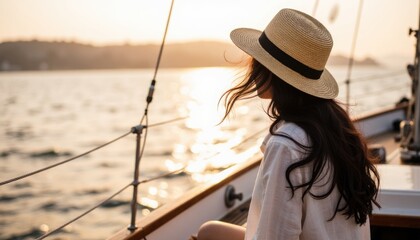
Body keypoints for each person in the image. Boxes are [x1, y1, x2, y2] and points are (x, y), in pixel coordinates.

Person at [197, 8, 380, 240]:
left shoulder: (287, 145)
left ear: (272, 71)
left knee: (207, 234)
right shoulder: (335, 127)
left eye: (259, 59)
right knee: (210, 231)